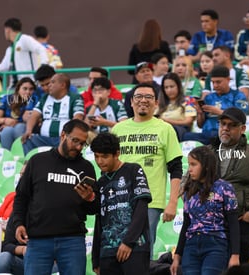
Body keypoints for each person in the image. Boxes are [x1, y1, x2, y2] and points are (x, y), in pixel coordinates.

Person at [13, 119, 98, 275]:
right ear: (63, 135)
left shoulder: (86, 168)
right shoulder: (37, 161)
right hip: (38, 239)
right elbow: (21, 197)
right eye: (75, 141)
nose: (79, 147)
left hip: (72, 240)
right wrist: (18, 223)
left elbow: (94, 209)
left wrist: (90, 198)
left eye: (83, 144)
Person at [112, 83, 183, 258]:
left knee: (141, 252)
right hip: (118, 200)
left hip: (150, 202)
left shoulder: (165, 129)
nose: (143, 100)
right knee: (115, 250)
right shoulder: (117, 129)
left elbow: (176, 168)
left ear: (156, 103)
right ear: (131, 102)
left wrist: (173, 202)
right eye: (138, 97)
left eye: (148, 97)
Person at [209, 107, 249, 263]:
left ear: (242, 128)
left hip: (240, 223)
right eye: (222, 124)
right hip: (209, 225)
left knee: (240, 269)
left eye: (231, 125)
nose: (225, 128)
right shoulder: (207, 152)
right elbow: (187, 183)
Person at [170, 146, 239, 275]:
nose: (189, 169)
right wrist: (177, 256)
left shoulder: (224, 188)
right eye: (189, 164)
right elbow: (186, 224)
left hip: (216, 244)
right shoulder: (188, 190)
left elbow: (233, 223)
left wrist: (235, 255)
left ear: (206, 166)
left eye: (194, 164)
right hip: (191, 246)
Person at [90, 132, 152, 275]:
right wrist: (95, 258)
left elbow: (141, 209)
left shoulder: (134, 170)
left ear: (117, 153)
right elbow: (100, 219)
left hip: (135, 248)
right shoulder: (100, 182)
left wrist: (128, 242)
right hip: (107, 251)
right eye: (96, 156)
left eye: (104, 156)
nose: (99, 161)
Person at [182, 66, 249, 145]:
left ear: (228, 80)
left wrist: (219, 112)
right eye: (213, 82)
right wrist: (200, 113)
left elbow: (241, 118)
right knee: (185, 136)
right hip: (206, 134)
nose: (215, 85)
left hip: (226, 134)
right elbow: (200, 125)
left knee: (215, 137)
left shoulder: (238, 95)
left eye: (218, 82)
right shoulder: (209, 98)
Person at [21, 73, 84, 155]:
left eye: (52, 82)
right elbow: (34, 115)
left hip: (62, 139)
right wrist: (28, 130)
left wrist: (68, 136)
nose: (49, 85)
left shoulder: (75, 98)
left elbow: (78, 118)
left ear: (62, 85)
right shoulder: (45, 98)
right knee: (28, 139)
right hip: (44, 139)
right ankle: (30, 165)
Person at [0, 18, 48, 87]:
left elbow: (41, 49)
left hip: (29, 84)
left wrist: (43, 67)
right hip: (15, 86)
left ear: (8, 30)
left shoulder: (24, 39)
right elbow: (3, 67)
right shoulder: (10, 49)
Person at [0, 77, 37, 150]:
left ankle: (10, 155)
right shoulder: (7, 99)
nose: (28, 92)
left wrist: (13, 123)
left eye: (31, 89)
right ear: (18, 89)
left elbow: (28, 119)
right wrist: (5, 120)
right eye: (25, 89)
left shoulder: (34, 100)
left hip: (21, 129)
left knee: (10, 130)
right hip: (4, 128)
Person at [156, 72, 196, 141]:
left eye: (172, 86)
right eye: (166, 87)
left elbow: (188, 121)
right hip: (161, 131)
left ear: (178, 86)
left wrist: (167, 121)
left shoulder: (189, 100)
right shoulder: (159, 103)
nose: (169, 90)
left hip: (180, 130)